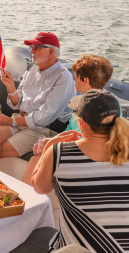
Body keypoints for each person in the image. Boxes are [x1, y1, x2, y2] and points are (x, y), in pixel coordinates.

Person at [31, 89, 129, 252]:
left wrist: (49, 147)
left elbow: (39, 187)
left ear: (82, 123)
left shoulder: (59, 152)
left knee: (36, 235)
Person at [0, 32, 76, 168]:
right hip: (21, 119)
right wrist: (11, 87)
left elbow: (44, 117)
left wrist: (11, 121)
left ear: (51, 52)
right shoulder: (32, 70)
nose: (31, 51)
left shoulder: (63, 78)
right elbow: (17, 103)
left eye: (37, 47)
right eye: (31, 47)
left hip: (42, 129)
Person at [21, 54, 114, 184]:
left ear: (85, 81)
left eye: (75, 77)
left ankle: (27, 202)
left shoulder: (94, 107)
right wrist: (51, 141)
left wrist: (51, 146)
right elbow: (71, 131)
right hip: (81, 151)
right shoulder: (107, 102)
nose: (73, 79)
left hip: (88, 160)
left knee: (35, 162)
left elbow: (88, 143)